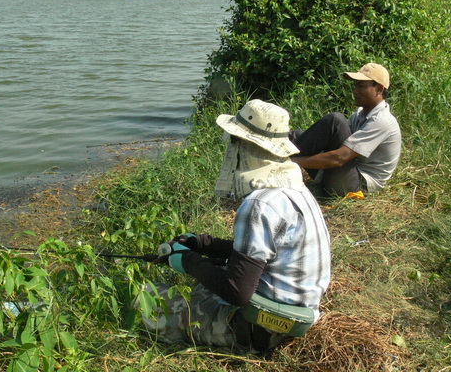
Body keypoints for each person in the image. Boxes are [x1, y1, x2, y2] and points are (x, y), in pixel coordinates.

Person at [139, 100, 331, 356]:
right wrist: (204, 244)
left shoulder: (259, 204)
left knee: (145, 299)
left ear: (245, 146)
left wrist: (188, 261)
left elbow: (237, 292)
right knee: (200, 286)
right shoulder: (296, 191)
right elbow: (265, 253)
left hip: (261, 327)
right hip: (295, 316)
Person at [289, 63, 401, 197]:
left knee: (335, 120)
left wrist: (292, 163)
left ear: (379, 89)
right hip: (347, 172)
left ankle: (278, 164)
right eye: (355, 86)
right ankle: (276, 158)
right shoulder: (360, 114)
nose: (355, 91)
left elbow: (339, 158)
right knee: (297, 135)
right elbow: (335, 140)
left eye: (361, 86)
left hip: (358, 184)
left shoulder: (382, 121)